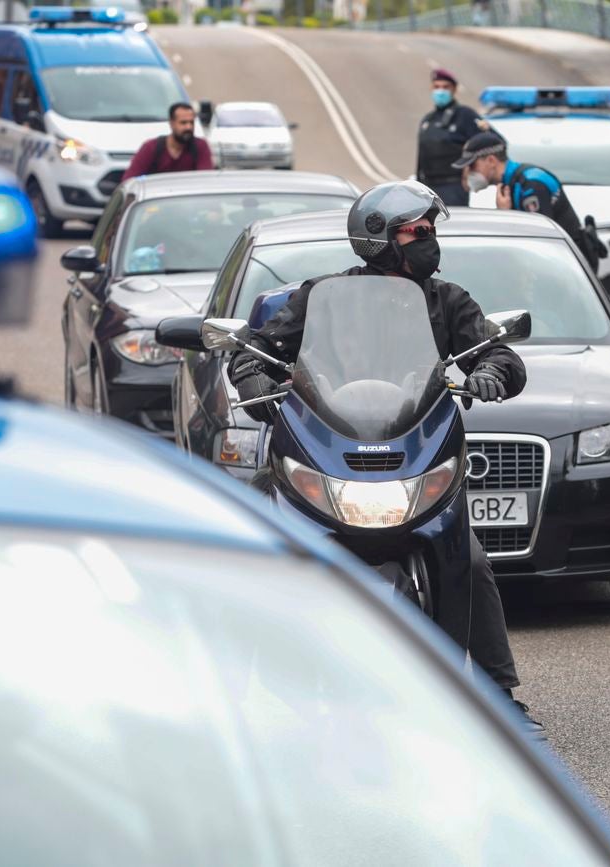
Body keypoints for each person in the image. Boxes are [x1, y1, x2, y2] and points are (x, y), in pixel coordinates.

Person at [227, 180, 543, 735]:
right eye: (416, 232)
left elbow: (497, 351)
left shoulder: (447, 300)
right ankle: (245, 698)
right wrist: (252, 373)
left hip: (412, 450)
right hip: (331, 448)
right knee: (253, 536)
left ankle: (498, 698)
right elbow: (260, 349)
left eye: (430, 231)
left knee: (466, 558)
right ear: (379, 240)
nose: (428, 241)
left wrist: (493, 371)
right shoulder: (319, 296)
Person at [454, 131, 606, 272]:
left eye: (472, 165)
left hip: (569, 268)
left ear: (491, 160)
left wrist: (506, 215)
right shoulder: (511, 183)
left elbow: (539, 239)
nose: (469, 171)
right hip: (556, 264)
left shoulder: (531, 183)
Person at [415, 69, 486, 208]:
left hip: (454, 187)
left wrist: (471, 169)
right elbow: (421, 158)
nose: (440, 91)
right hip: (428, 188)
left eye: (445, 87)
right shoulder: (427, 120)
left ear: (454, 89)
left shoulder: (465, 116)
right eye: (436, 87)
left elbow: (491, 142)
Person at [121, 102, 212, 182]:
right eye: (183, 123)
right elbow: (130, 181)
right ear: (171, 123)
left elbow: (206, 181)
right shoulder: (151, 147)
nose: (189, 127)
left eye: (191, 122)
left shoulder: (200, 146)